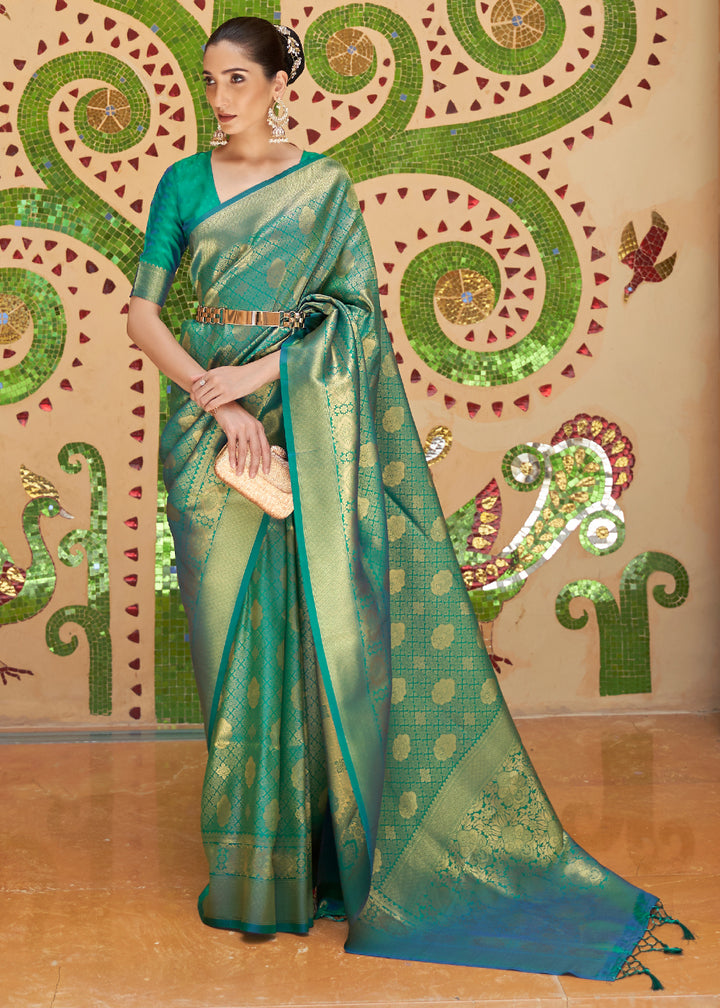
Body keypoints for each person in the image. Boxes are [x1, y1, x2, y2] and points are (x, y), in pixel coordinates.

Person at [127, 15, 692, 988]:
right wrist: (217, 401)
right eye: (207, 80)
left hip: (304, 426)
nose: (217, 99)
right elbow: (143, 312)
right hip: (209, 437)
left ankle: (326, 864)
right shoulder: (181, 183)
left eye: (235, 80)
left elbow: (355, 318)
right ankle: (256, 878)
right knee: (231, 656)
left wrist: (263, 376)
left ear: (277, 84)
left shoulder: (323, 188)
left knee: (317, 643)